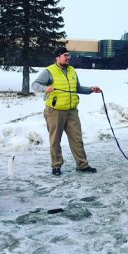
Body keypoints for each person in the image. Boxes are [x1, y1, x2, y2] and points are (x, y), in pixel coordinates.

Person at [32, 47, 101, 176]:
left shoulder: (72, 70)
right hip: (55, 111)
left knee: (77, 138)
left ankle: (82, 165)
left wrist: (91, 89)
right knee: (55, 140)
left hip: (71, 111)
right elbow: (34, 85)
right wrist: (45, 88)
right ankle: (56, 166)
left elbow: (77, 88)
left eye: (68, 55)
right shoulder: (49, 71)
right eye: (65, 55)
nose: (68, 58)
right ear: (57, 57)